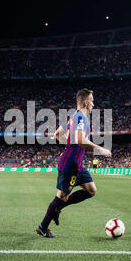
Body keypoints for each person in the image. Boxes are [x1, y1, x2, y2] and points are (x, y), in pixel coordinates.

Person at [35, 88, 111, 238]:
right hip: (70, 164)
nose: (93, 104)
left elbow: (57, 134)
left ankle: (58, 209)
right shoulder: (81, 118)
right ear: (85, 102)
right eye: (92, 100)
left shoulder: (72, 117)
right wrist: (100, 149)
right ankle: (43, 227)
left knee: (91, 190)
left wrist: (70, 145)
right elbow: (81, 140)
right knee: (60, 197)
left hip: (77, 163)